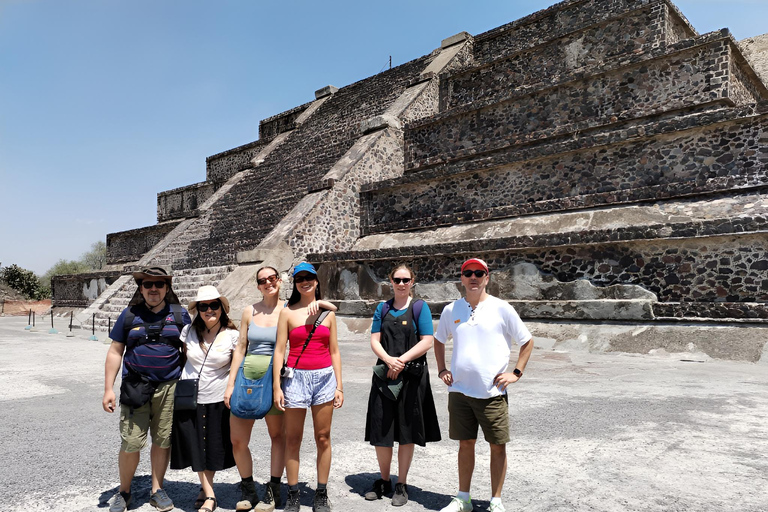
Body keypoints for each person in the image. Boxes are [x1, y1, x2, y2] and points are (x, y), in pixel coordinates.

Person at [224, 266, 337, 512]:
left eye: (272, 278)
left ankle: (274, 489)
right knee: (238, 439)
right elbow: (241, 348)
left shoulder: (289, 309)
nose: (268, 283)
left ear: (280, 280)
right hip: (249, 379)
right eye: (262, 280)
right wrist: (230, 383)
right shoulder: (249, 311)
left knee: (281, 437)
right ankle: (248, 487)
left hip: (281, 378)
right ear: (257, 285)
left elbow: (323, 316)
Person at [434, 258, 534, 512]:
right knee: (465, 444)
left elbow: (526, 340)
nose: (473, 277)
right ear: (462, 279)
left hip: (492, 392)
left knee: (497, 446)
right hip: (459, 391)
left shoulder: (502, 308)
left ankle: (496, 501)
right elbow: (438, 340)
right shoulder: (451, 310)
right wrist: (442, 369)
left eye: (479, 273)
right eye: (468, 273)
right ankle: (463, 498)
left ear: (487, 278)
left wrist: (516, 372)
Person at [102, 266, 192, 512]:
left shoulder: (180, 314)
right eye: (148, 285)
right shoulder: (129, 315)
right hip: (135, 386)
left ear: (167, 288)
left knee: (163, 440)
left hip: (170, 386)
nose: (153, 289)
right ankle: (124, 491)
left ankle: (156, 489)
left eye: (159, 284)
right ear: (141, 289)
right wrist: (108, 388)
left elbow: (191, 351)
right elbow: (115, 351)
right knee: (130, 441)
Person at [364, 264, 441, 506]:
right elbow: (375, 339)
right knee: (382, 427)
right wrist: (388, 360)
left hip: (411, 377)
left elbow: (427, 341)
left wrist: (401, 360)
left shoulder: (420, 307)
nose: (401, 284)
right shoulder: (382, 308)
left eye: (405, 279)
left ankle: (401, 483)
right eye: (397, 279)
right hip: (385, 373)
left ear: (412, 282)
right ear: (390, 281)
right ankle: (384, 479)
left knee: (407, 429)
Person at [273, 262, 344, 512]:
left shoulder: (328, 314)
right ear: (294, 283)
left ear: (316, 281)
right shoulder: (288, 312)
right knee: (293, 439)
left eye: (309, 277)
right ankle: (293, 493)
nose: (304, 281)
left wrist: (340, 386)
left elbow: (334, 351)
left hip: (324, 377)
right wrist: (276, 387)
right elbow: (280, 350)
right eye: (299, 278)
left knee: (323, 438)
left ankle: (321, 493)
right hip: (295, 378)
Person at [170, 285, 239, 512]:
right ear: (198, 309)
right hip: (190, 397)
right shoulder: (188, 332)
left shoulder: (232, 335)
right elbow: (181, 358)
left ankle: (205, 488)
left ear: (222, 308)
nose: (209, 310)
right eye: (203, 306)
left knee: (212, 446)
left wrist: (230, 390)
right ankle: (210, 495)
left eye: (214, 305)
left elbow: (236, 367)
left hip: (218, 396)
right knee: (196, 445)